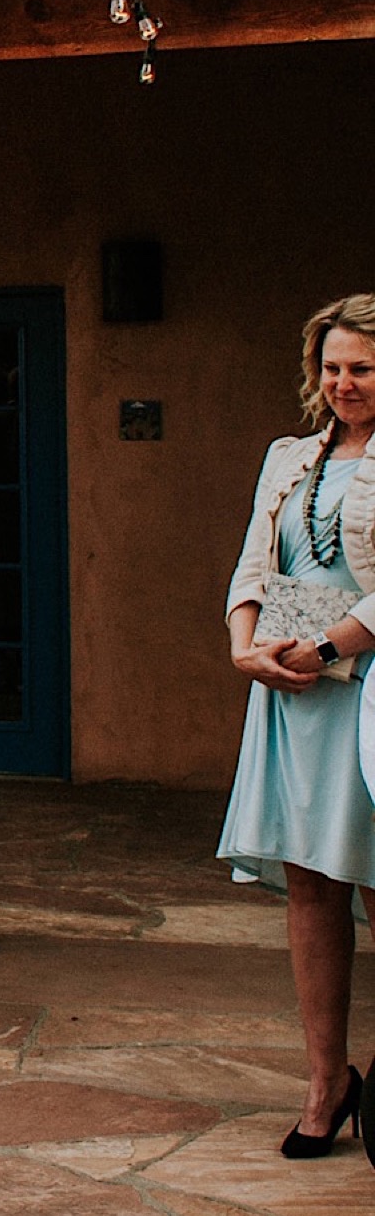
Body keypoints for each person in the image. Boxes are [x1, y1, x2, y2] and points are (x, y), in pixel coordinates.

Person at [220, 294, 375, 1159]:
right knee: (312, 884)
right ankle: (327, 1080)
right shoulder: (289, 455)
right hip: (293, 689)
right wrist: (247, 648)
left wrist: (326, 645)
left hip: (366, 686)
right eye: (332, 366)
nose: (343, 382)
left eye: (361, 367)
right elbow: (253, 558)